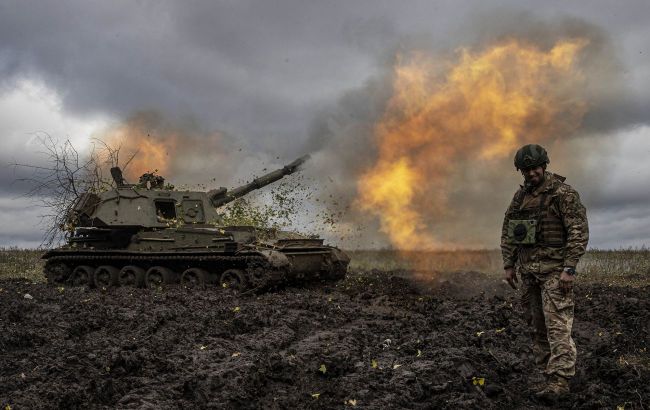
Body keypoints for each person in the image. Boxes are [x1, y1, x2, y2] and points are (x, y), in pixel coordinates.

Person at [500, 144, 589, 400]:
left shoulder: (562, 194)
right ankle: (547, 377)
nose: (531, 173)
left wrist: (569, 268)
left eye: (535, 168)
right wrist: (509, 265)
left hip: (554, 274)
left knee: (558, 328)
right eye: (526, 169)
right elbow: (509, 233)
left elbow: (577, 233)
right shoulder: (519, 199)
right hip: (529, 274)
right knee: (537, 328)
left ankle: (560, 382)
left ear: (544, 166)